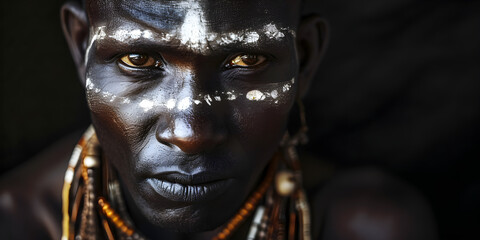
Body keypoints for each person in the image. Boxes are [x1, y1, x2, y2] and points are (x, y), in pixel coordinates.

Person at [0, 0, 438, 239]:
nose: (190, 134)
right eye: (138, 58)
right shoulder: (16, 224)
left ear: (302, 61)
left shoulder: (364, 226)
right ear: (83, 48)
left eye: (247, 59)